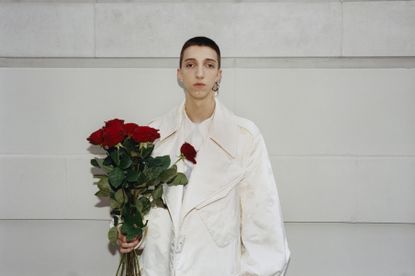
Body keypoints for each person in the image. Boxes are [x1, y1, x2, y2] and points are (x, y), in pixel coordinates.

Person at [117, 36, 291, 276]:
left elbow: (263, 225)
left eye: (209, 65)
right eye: (190, 65)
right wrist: (128, 230)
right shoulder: (154, 135)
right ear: (179, 73)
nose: (200, 73)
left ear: (219, 74)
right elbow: (138, 208)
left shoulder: (244, 138)